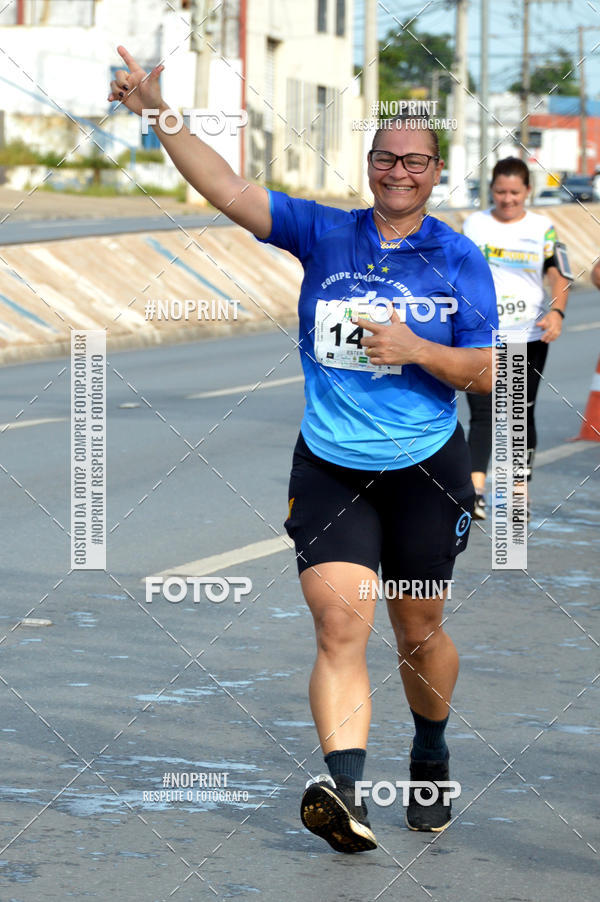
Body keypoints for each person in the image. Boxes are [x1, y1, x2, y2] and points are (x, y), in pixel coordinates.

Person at [108, 48, 498, 851]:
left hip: (427, 467)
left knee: (417, 632)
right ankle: (347, 795)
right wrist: (157, 110)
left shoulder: (460, 258)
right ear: (369, 167)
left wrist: (419, 349)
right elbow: (227, 187)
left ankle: (429, 752)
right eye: (386, 158)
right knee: (339, 623)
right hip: (331, 466)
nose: (398, 171)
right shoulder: (325, 232)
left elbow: (491, 372)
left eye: (414, 161)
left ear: (434, 173)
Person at [463, 157, 571, 520]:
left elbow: (558, 274)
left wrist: (556, 312)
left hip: (528, 333)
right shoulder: (473, 224)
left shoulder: (543, 228)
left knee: (519, 413)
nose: (507, 199)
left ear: (527, 191)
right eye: (499, 192)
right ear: (490, 190)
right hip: (481, 333)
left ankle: (516, 495)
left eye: (514, 192)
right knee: (482, 412)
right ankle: (476, 492)